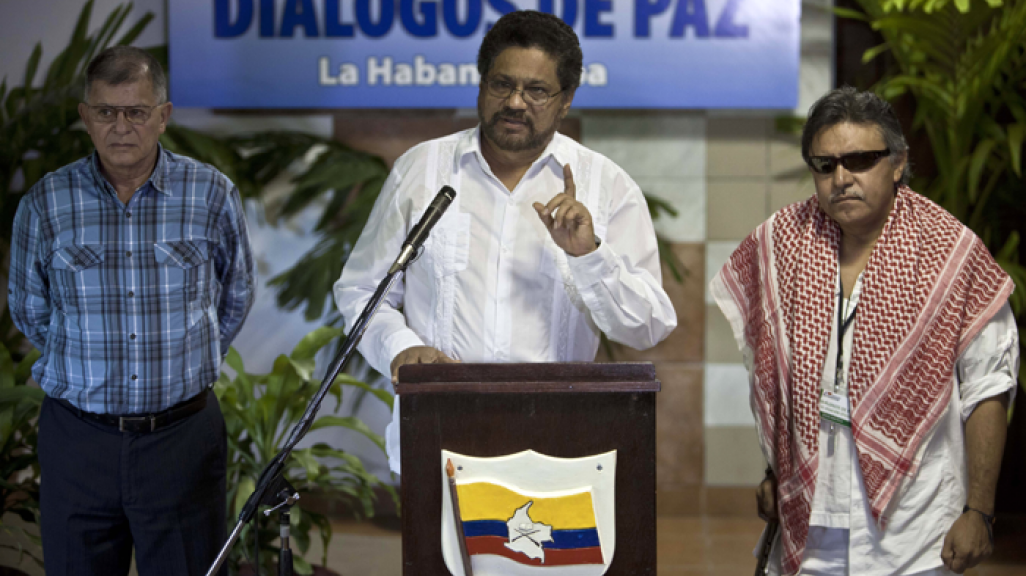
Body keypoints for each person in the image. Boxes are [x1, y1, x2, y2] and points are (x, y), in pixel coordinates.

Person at [334, 10, 677, 473]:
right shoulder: (423, 171)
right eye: (501, 84)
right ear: (481, 85)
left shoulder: (606, 186)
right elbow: (360, 288)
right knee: (436, 550)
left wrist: (590, 257)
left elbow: (648, 325)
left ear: (566, 100)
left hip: (560, 442)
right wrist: (398, 347)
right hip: (438, 432)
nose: (516, 102)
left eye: (536, 90)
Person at [710, 86, 1017, 576]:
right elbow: (774, 375)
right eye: (825, 164)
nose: (842, 178)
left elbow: (989, 390)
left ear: (897, 163)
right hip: (808, 522)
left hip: (912, 530)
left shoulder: (951, 253)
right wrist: (776, 469)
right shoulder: (783, 242)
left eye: (860, 160)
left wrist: (979, 510)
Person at [8, 46, 254, 575]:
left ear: (162, 116)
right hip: (79, 442)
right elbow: (29, 309)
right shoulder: (45, 204)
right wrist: (90, 367)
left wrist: (182, 363)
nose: (121, 126)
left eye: (136, 112)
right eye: (106, 112)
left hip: (182, 441)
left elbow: (235, 293)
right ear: (85, 116)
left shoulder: (211, 194)